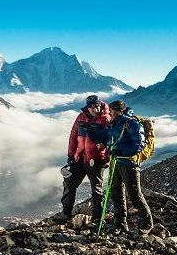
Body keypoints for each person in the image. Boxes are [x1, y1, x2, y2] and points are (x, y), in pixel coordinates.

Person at [79, 99, 154, 233]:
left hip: (128, 163)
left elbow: (138, 144)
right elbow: (105, 138)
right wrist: (90, 130)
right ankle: (120, 224)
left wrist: (121, 151)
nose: (109, 113)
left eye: (112, 110)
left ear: (118, 111)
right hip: (115, 162)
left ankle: (146, 223)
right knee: (116, 194)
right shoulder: (113, 124)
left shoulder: (131, 123)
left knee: (134, 195)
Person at [53, 95, 109, 223]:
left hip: (96, 159)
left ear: (100, 104)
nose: (95, 109)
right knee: (69, 182)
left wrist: (105, 155)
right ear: (88, 107)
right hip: (80, 157)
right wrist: (71, 155)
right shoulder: (81, 117)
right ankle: (66, 213)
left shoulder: (106, 118)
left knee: (96, 188)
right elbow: (73, 137)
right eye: (92, 107)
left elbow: (111, 138)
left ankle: (98, 217)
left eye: (97, 106)